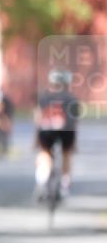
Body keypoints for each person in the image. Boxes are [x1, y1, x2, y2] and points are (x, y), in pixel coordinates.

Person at [34, 69, 79, 199]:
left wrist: (36, 138)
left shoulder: (44, 96)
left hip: (46, 129)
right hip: (66, 130)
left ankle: (41, 181)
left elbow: (38, 117)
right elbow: (74, 120)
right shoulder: (71, 98)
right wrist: (74, 143)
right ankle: (65, 186)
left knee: (44, 153)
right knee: (66, 154)